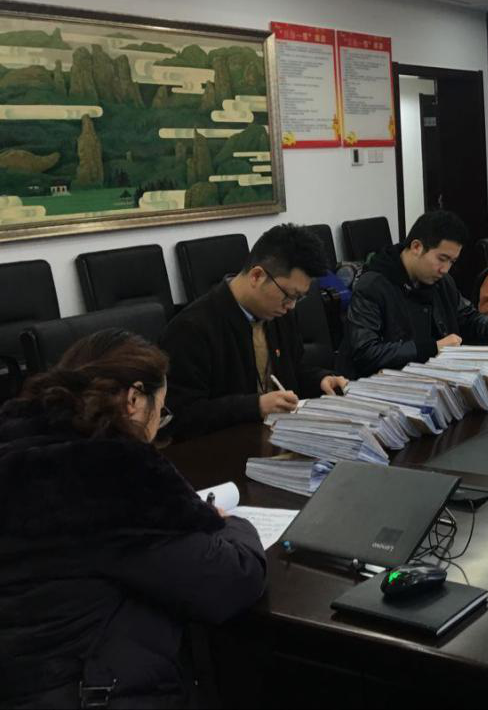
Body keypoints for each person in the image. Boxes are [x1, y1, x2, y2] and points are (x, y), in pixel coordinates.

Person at [0, 330, 267, 708]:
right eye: (162, 411)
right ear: (134, 399)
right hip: (82, 691)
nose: (158, 427)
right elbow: (233, 579)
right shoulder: (109, 474)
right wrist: (231, 522)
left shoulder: (18, 448)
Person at [161, 223, 348, 441]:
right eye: (289, 295)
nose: (291, 306)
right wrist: (255, 406)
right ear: (257, 276)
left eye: (299, 297)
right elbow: (180, 416)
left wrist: (320, 380)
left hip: (278, 440)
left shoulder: (279, 314)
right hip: (225, 449)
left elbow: (293, 370)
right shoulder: (191, 329)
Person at [337, 209, 488, 378]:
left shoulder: (441, 282)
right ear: (416, 247)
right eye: (442, 259)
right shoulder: (372, 286)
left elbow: (468, 318)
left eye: (452, 261)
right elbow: (366, 353)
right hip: (386, 388)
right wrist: (432, 348)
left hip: (437, 379)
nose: (445, 269)